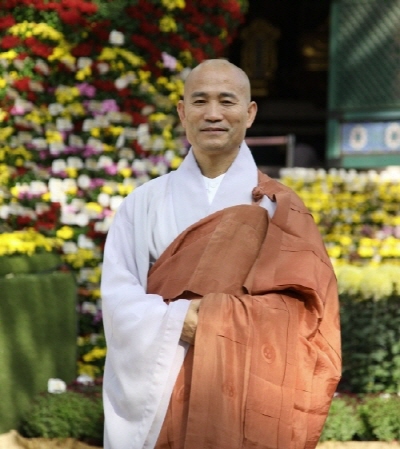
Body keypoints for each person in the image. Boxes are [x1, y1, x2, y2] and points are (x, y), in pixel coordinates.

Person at [101, 59, 341, 449]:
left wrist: (217, 322)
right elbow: (118, 297)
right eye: (200, 101)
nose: (213, 114)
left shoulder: (278, 207)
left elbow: (308, 311)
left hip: (245, 386)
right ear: (183, 112)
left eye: (227, 101)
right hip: (162, 380)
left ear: (250, 113)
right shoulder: (143, 204)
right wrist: (175, 320)